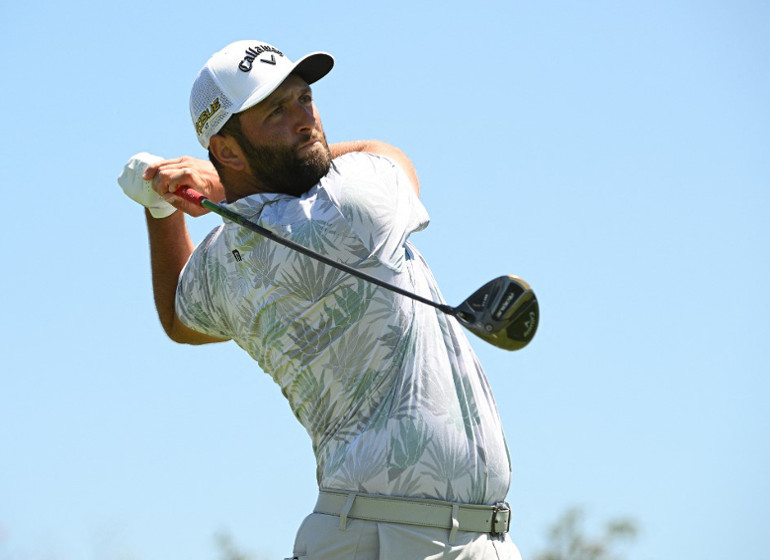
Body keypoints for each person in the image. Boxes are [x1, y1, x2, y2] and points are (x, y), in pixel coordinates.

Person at [118, 39, 522, 560]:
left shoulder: (220, 265)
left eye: (304, 98)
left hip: (353, 531)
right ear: (228, 150)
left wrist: (158, 207)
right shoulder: (349, 204)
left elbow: (178, 315)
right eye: (276, 112)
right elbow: (387, 152)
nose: (305, 120)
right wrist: (219, 186)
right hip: (424, 539)